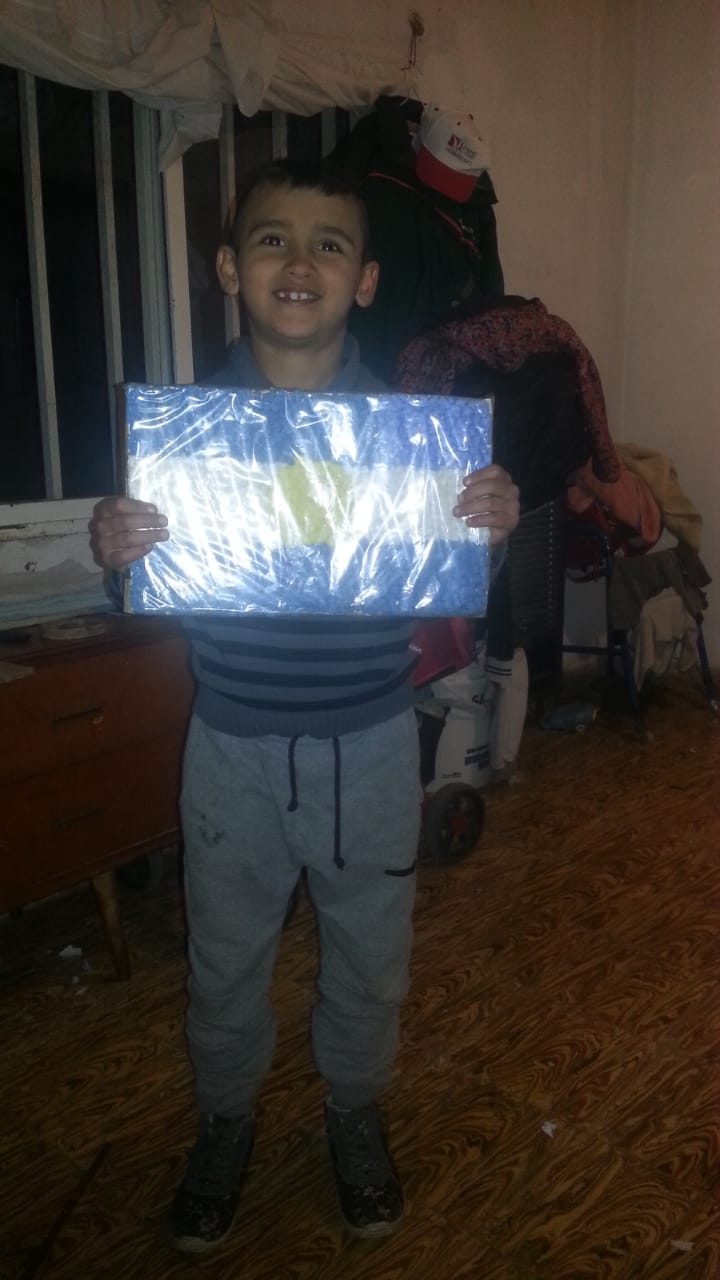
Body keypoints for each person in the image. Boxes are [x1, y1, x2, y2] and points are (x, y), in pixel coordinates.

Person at [89, 160, 519, 1251]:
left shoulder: (413, 439)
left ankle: (353, 1107)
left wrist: (486, 527)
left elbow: (452, 574)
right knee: (224, 957)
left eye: (329, 244)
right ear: (229, 269)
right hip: (229, 746)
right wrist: (120, 546)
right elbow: (151, 571)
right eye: (271, 238)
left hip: (370, 744)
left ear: (364, 281)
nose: (298, 261)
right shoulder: (189, 438)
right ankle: (225, 1117)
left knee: (371, 954)